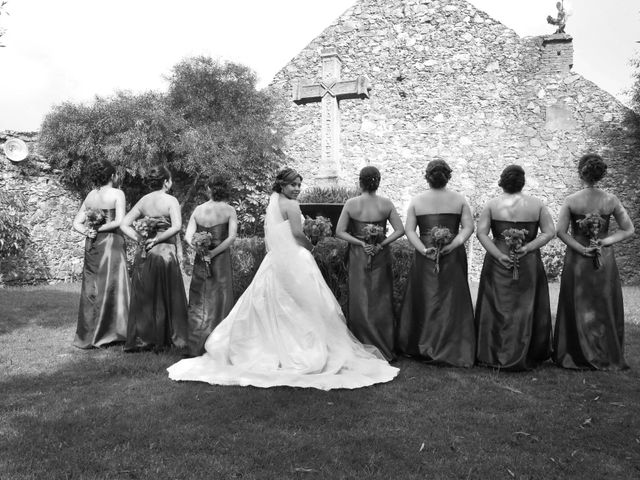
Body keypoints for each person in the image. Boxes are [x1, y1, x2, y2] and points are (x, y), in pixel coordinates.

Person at [167, 168, 399, 390]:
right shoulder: (292, 204)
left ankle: (269, 346)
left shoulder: (274, 201)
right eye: (293, 184)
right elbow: (298, 234)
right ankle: (300, 350)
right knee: (304, 302)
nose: (297, 188)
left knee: (273, 302)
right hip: (294, 257)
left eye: (299, 184)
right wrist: (311, 246)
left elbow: (279, 232)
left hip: (276, 258)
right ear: (282, 185)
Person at [553, 153, 634, 370]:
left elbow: (560, 232)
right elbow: (629, 229)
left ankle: (575, 354)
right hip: (603, 257)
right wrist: (604, 242)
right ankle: (605, 353)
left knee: (577, 301)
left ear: (581, 172)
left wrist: (580, 248)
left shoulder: (571, 200)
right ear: (601, 174)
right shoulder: (611, 200)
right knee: (602, 302)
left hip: (578, 258)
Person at [395, 159, 475, 367]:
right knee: (451, 299)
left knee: (426, 297)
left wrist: (423, 249)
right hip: (453, 254)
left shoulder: (417, 201)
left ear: (427, 177)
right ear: (448, 176)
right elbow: (468, 228)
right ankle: (453, 345)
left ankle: (422, 343)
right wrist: (454, 244)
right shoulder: (459, 200)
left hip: (425, 255)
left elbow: (410, 230)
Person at [475, 165, 555, 371]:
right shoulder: (537, 205)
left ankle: (493, 352)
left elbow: (481, 234)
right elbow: (549, 232)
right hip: (527, 260)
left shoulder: (492, 205)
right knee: (524, 305)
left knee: (496, 304)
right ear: (523, 181)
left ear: (502, 181)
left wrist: (499, 255)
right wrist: (528, 247)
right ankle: (528, 352)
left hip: (498, 259)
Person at [335, 166, 404, 361]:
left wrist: (361, 243)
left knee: (360, 298)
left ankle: (360, 344)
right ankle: (383, 345)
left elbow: (340, 232)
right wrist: (380, 244)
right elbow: (400, 230)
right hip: (380, 254)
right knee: (381, 298)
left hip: (359, 255)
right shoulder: (386, 203)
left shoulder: (351, 203)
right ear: (378, 182)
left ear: (360, 182)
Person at [120, 165, 188, 352]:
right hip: (164, 250)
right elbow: (176, 227)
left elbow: (124, 224)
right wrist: (157, 239)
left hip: (145, 252)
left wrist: (141, 239)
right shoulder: (171, 200)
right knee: (167, 292)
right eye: (170, 179)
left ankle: (144, 337)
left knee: (147, 293)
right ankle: (169, 336)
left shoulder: (143, 200)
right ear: (166, 182)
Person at [72, 160, 129, 348]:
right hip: (111, 243)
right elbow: (120, 221)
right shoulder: (117, 193)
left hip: (93, 243)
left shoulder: (90, 195)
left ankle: (88, 333)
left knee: (91, 287)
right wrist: (102, 228)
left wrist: (89, 231)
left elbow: (76, 223)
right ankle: (112, 332)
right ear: (112, 176)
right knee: (112, 285)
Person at [184, 176, 237, 357]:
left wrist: (200, 251)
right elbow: (231, 238)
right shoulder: (229, 210)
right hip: (220, 259)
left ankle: (195, 344)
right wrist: (213, 254)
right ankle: (219, 345)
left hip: (201, 259)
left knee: (200, 298)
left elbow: (187, 236)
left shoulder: (198, 210)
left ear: (209, 189)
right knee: (220, 297)